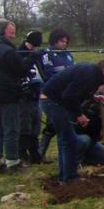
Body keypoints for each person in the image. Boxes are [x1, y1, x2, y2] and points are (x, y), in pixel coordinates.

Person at [41, 58, 104, 185]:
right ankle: (70, 178)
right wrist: (79, 115)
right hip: (52, 101)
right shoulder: (88, 74)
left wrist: (94, 97)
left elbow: (80, 91)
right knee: (68, 140)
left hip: (56, 101)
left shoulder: (93, 76)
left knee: (65, 140)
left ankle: (65, 177)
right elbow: (69, 96)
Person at [0, 19, 40, 172]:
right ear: (4, 31)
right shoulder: (7, 51)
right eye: (11, 32)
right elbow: (21, 70)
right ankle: (12, 161)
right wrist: (33, 57)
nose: (13, 36)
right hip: (8, 95)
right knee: (11, 128)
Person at [39, 29, 76, 160]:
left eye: (66, 41)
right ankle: (41, 153)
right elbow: (48, 74)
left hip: (66, 93)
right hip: (52, 95)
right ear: (54, 40)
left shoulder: (68, 55)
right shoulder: (47, 55)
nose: (64, 43)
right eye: (61, 41)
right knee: (55, 124)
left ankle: (41, 153)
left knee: (55, 124)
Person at [17, 30, 44, 164]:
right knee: (24, 126)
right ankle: (22, 154)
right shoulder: (19, 53)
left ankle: (35, 154)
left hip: (36, 93)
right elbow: (20, 70)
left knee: (36, 125)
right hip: (24, 95)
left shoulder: (36, 55)